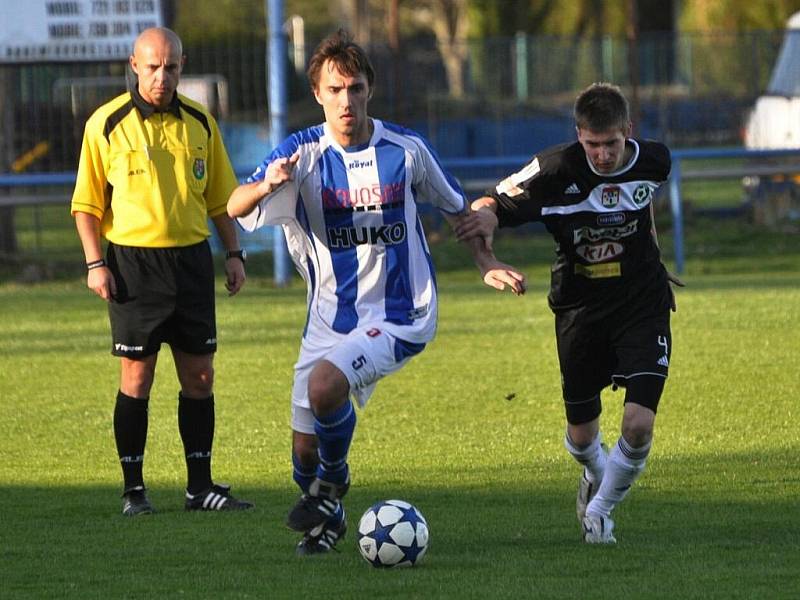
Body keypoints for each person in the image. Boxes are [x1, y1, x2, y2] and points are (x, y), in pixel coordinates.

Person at [228, 29, 525, 555]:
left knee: (325, 389)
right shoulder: (301, 153)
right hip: (327, 318)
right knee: (302, 450)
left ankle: (333, 484)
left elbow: (461, 213)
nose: (347, 100)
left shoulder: (405, 150)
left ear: (370, 90)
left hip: (402, 312)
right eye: (336, 89)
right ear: (318, 94)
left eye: (356, 88)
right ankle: (327, 516)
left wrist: (485, 262)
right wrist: (268, 184)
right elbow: (234, 205)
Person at [456, 82, 682, 544]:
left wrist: (655, 257)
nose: (602, 155)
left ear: (628, 132)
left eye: (611, 144)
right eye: (592, 144)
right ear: (579, 135)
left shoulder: (656, 160)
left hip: (642, 303)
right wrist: (488, 254)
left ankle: (599, 512)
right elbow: (490, 204)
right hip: (579, 309)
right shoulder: (556, 168)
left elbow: (644, 205)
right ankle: (594, 476)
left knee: (638, 426)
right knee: (582, 438)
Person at [71, 27, 253, 516]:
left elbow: (222, 200)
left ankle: (200, 489)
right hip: (132, 264)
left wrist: (234, 255)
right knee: (137, 376)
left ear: (182, 65)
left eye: (171, 67)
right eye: (152, 66)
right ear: (134, 65)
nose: (162, 76)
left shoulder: (201, 122)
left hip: (192, 262)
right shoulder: (105, 125)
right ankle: (134, 491)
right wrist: (95, 264)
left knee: (200, 375)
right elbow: (86, 206)